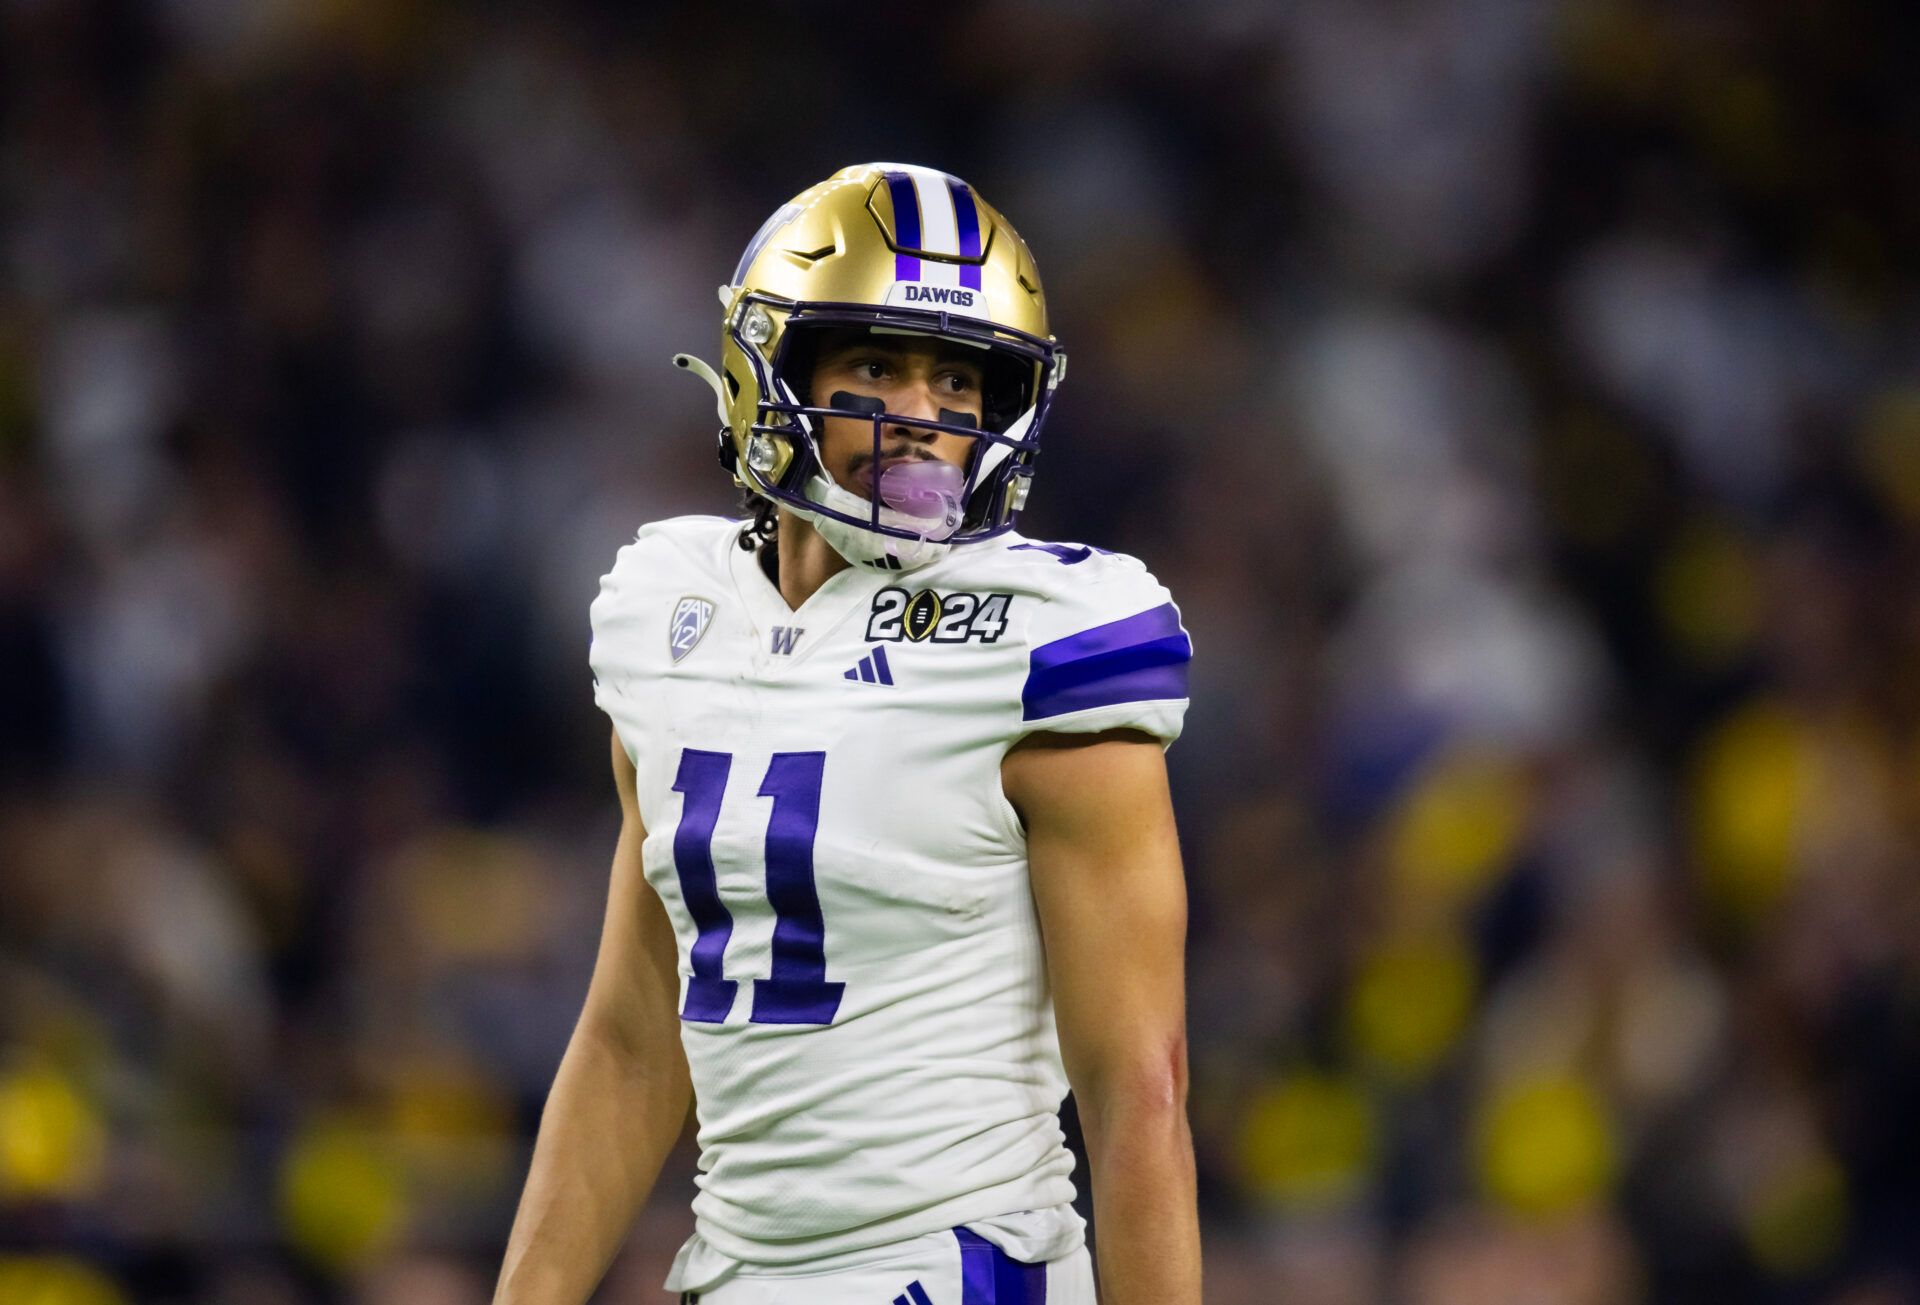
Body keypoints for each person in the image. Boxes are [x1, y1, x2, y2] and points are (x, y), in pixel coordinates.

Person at [493, 163, 1200, 1304]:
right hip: (731, 1273)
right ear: (766, 374)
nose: (924, 412)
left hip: (953, 1272)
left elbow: (1140, 1086)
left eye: (959, 380)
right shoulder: (666, 610)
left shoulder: (1048, 638)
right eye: (877, 364)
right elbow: (633, 1036)